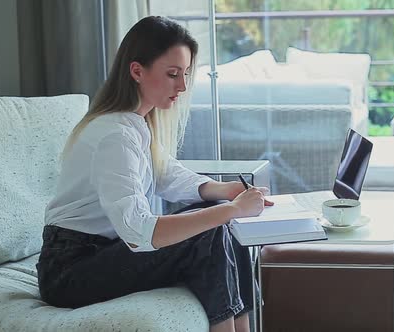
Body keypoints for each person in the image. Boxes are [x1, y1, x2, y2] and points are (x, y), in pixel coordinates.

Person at [36, 16, 272, 332]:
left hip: (101, 253)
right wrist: (231, 209)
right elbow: (138, 233)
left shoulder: (135, 123)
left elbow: (165, 175)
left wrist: (220, 191)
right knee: (215, 227)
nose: (183, 86)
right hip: (70, 271)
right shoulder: (114, 135)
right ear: (136, 71)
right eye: (173, 74)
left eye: (186, 74)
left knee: (221, 223)